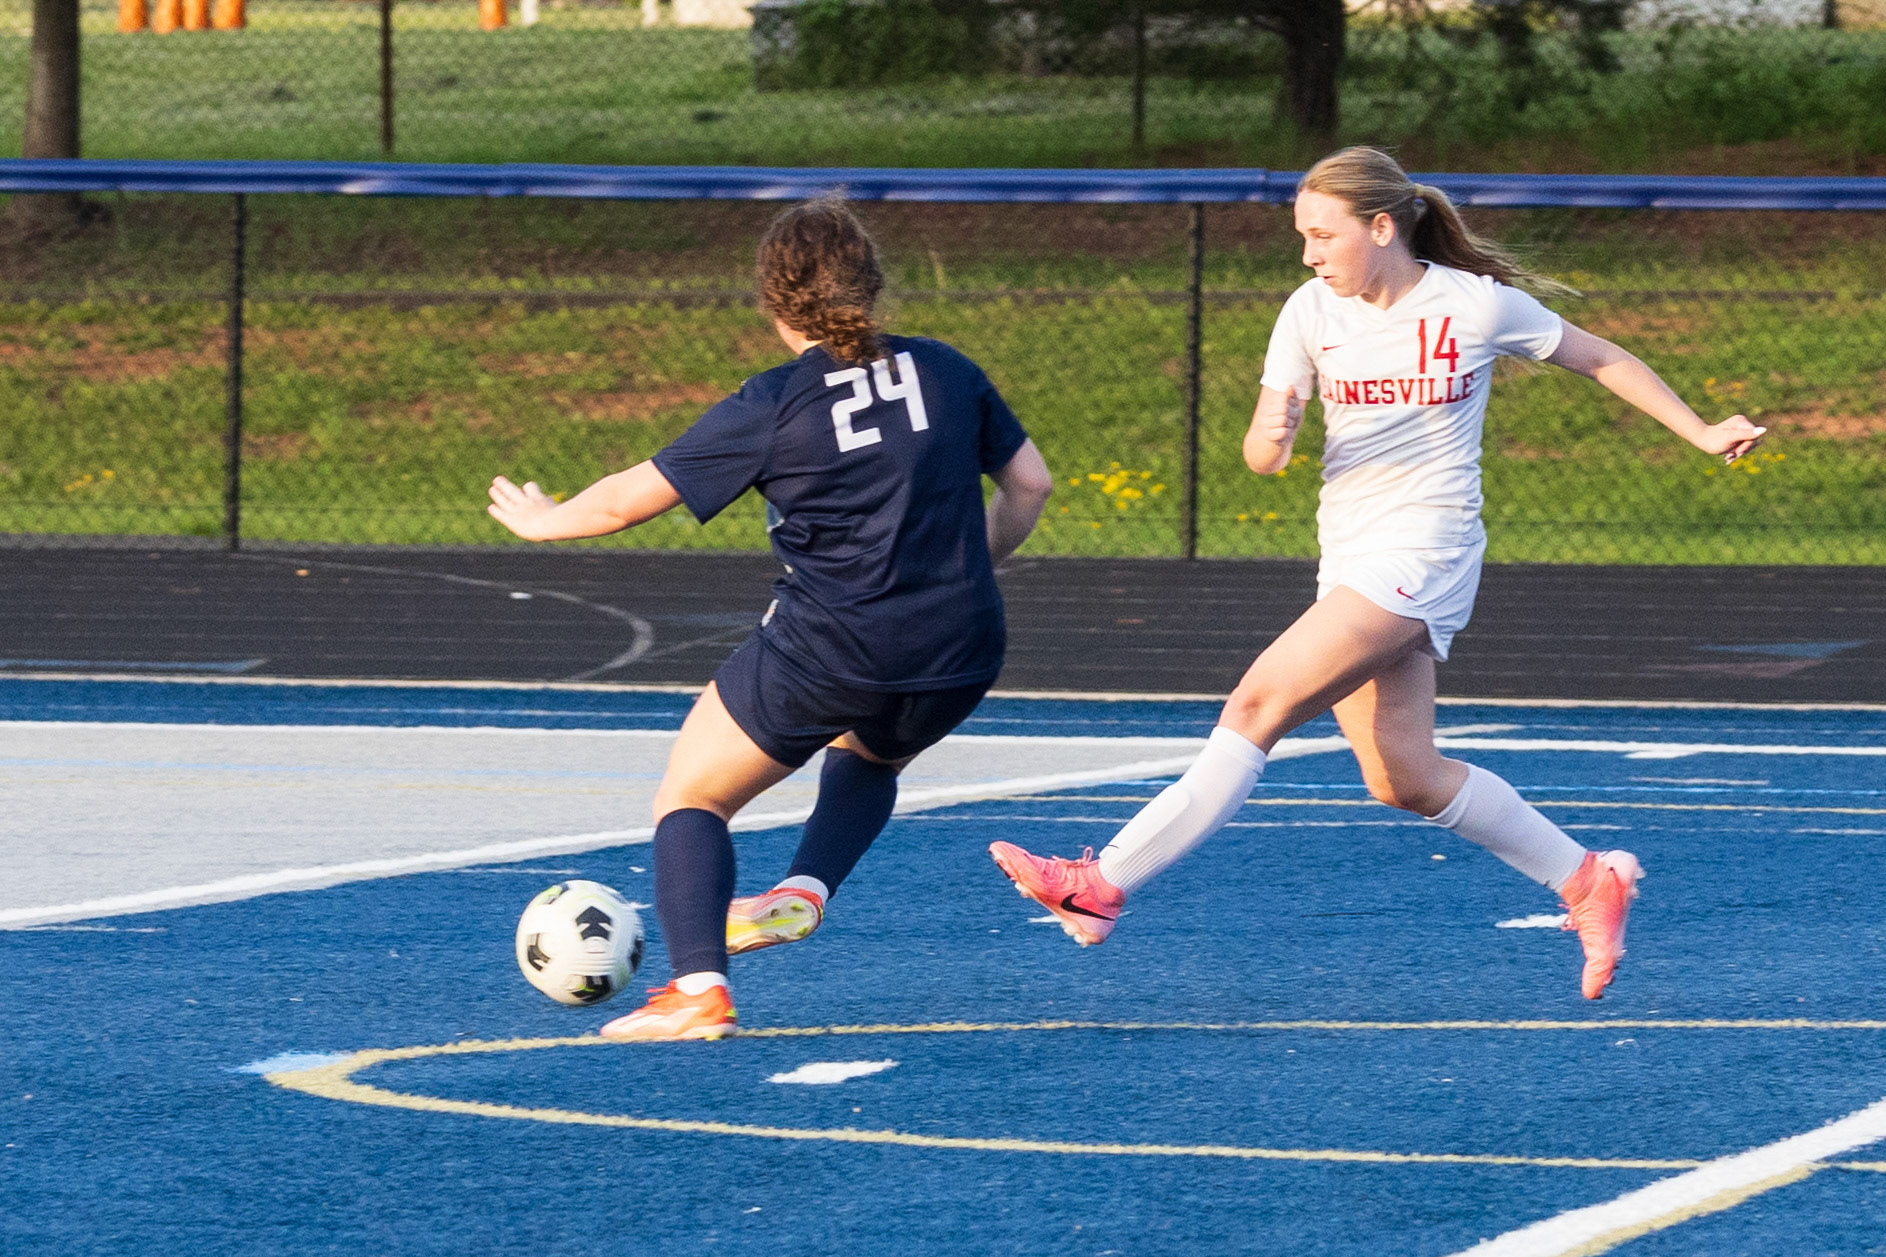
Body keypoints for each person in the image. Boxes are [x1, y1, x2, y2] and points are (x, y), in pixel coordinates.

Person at [989, 147, 1765, 1000]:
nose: (1309, 255)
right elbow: (1261, 455)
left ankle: (1101, 882)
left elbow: (1600, 356)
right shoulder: (1308, 311)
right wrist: (1275, 434)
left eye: (1323, 236)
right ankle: (1589, 879)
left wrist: (1701, 431)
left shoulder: (1474, 304)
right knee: (1403, 776)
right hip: (1352, 556)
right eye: (1303, 237)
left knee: (1256, 704)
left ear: (1383, 227)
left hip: (1426, 550)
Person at [488, 198, 1053, 1039]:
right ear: (872, 281)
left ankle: (697, 990)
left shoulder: (775, 402)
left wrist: (543, 520)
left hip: (836, 646)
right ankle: (805, 889)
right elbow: (1031, 484)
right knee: (871, 750)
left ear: (774, 303)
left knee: (693, 793)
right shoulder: (946, 368)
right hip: (963, 643)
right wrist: (967, 565)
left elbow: (624, 502)